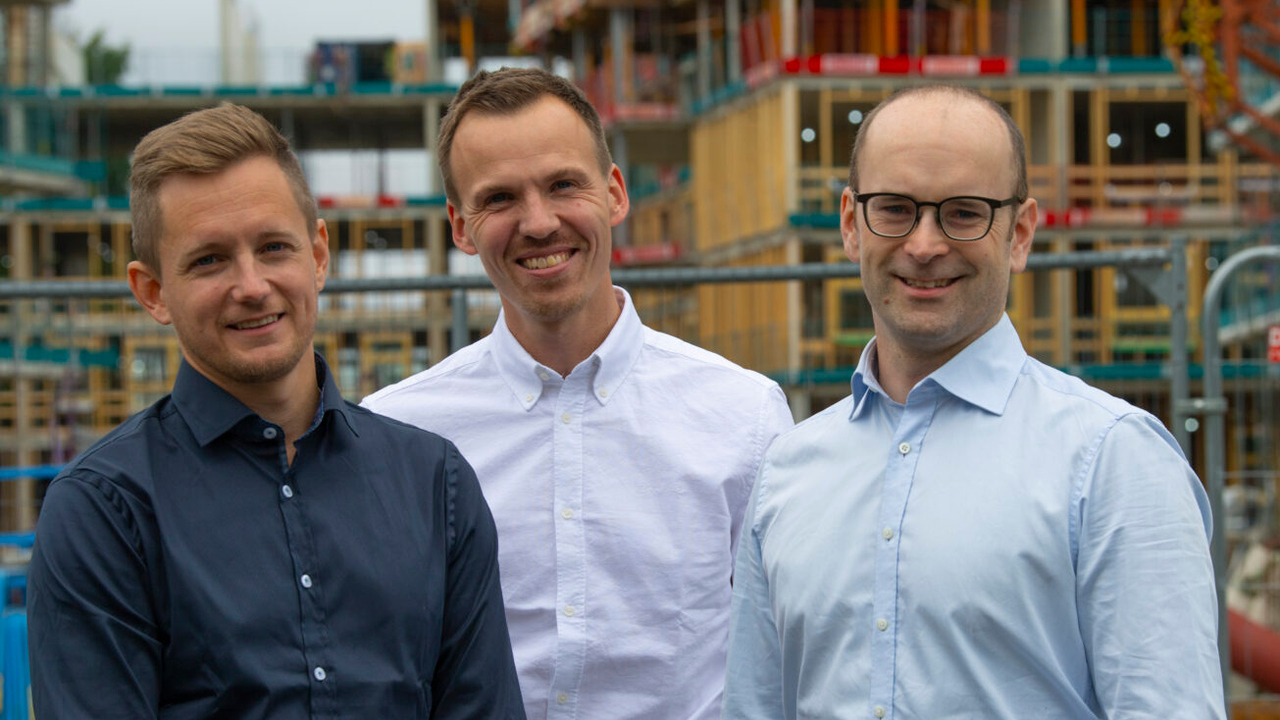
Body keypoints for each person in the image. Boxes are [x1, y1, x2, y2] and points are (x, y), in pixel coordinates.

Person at [721, 85, 1225, 720]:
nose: (926, 245)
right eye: (895, 209)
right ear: (851, 224)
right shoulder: (786, 473)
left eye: (963, 212)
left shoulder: (1114, 463)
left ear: (1019, 234)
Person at [27, 103, 525, 720]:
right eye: (209, 259)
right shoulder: (106, 513)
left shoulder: (435, 485)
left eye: (273, 247)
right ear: (152, 292)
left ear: (318, 256)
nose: (252, 285)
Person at [362, 68, 794, 720]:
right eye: (500, 198)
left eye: (564, 185)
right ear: (459, 226)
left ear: (615, 193)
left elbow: (783, 652)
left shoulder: (744, 417)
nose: (539, 223)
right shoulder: (396, 432)